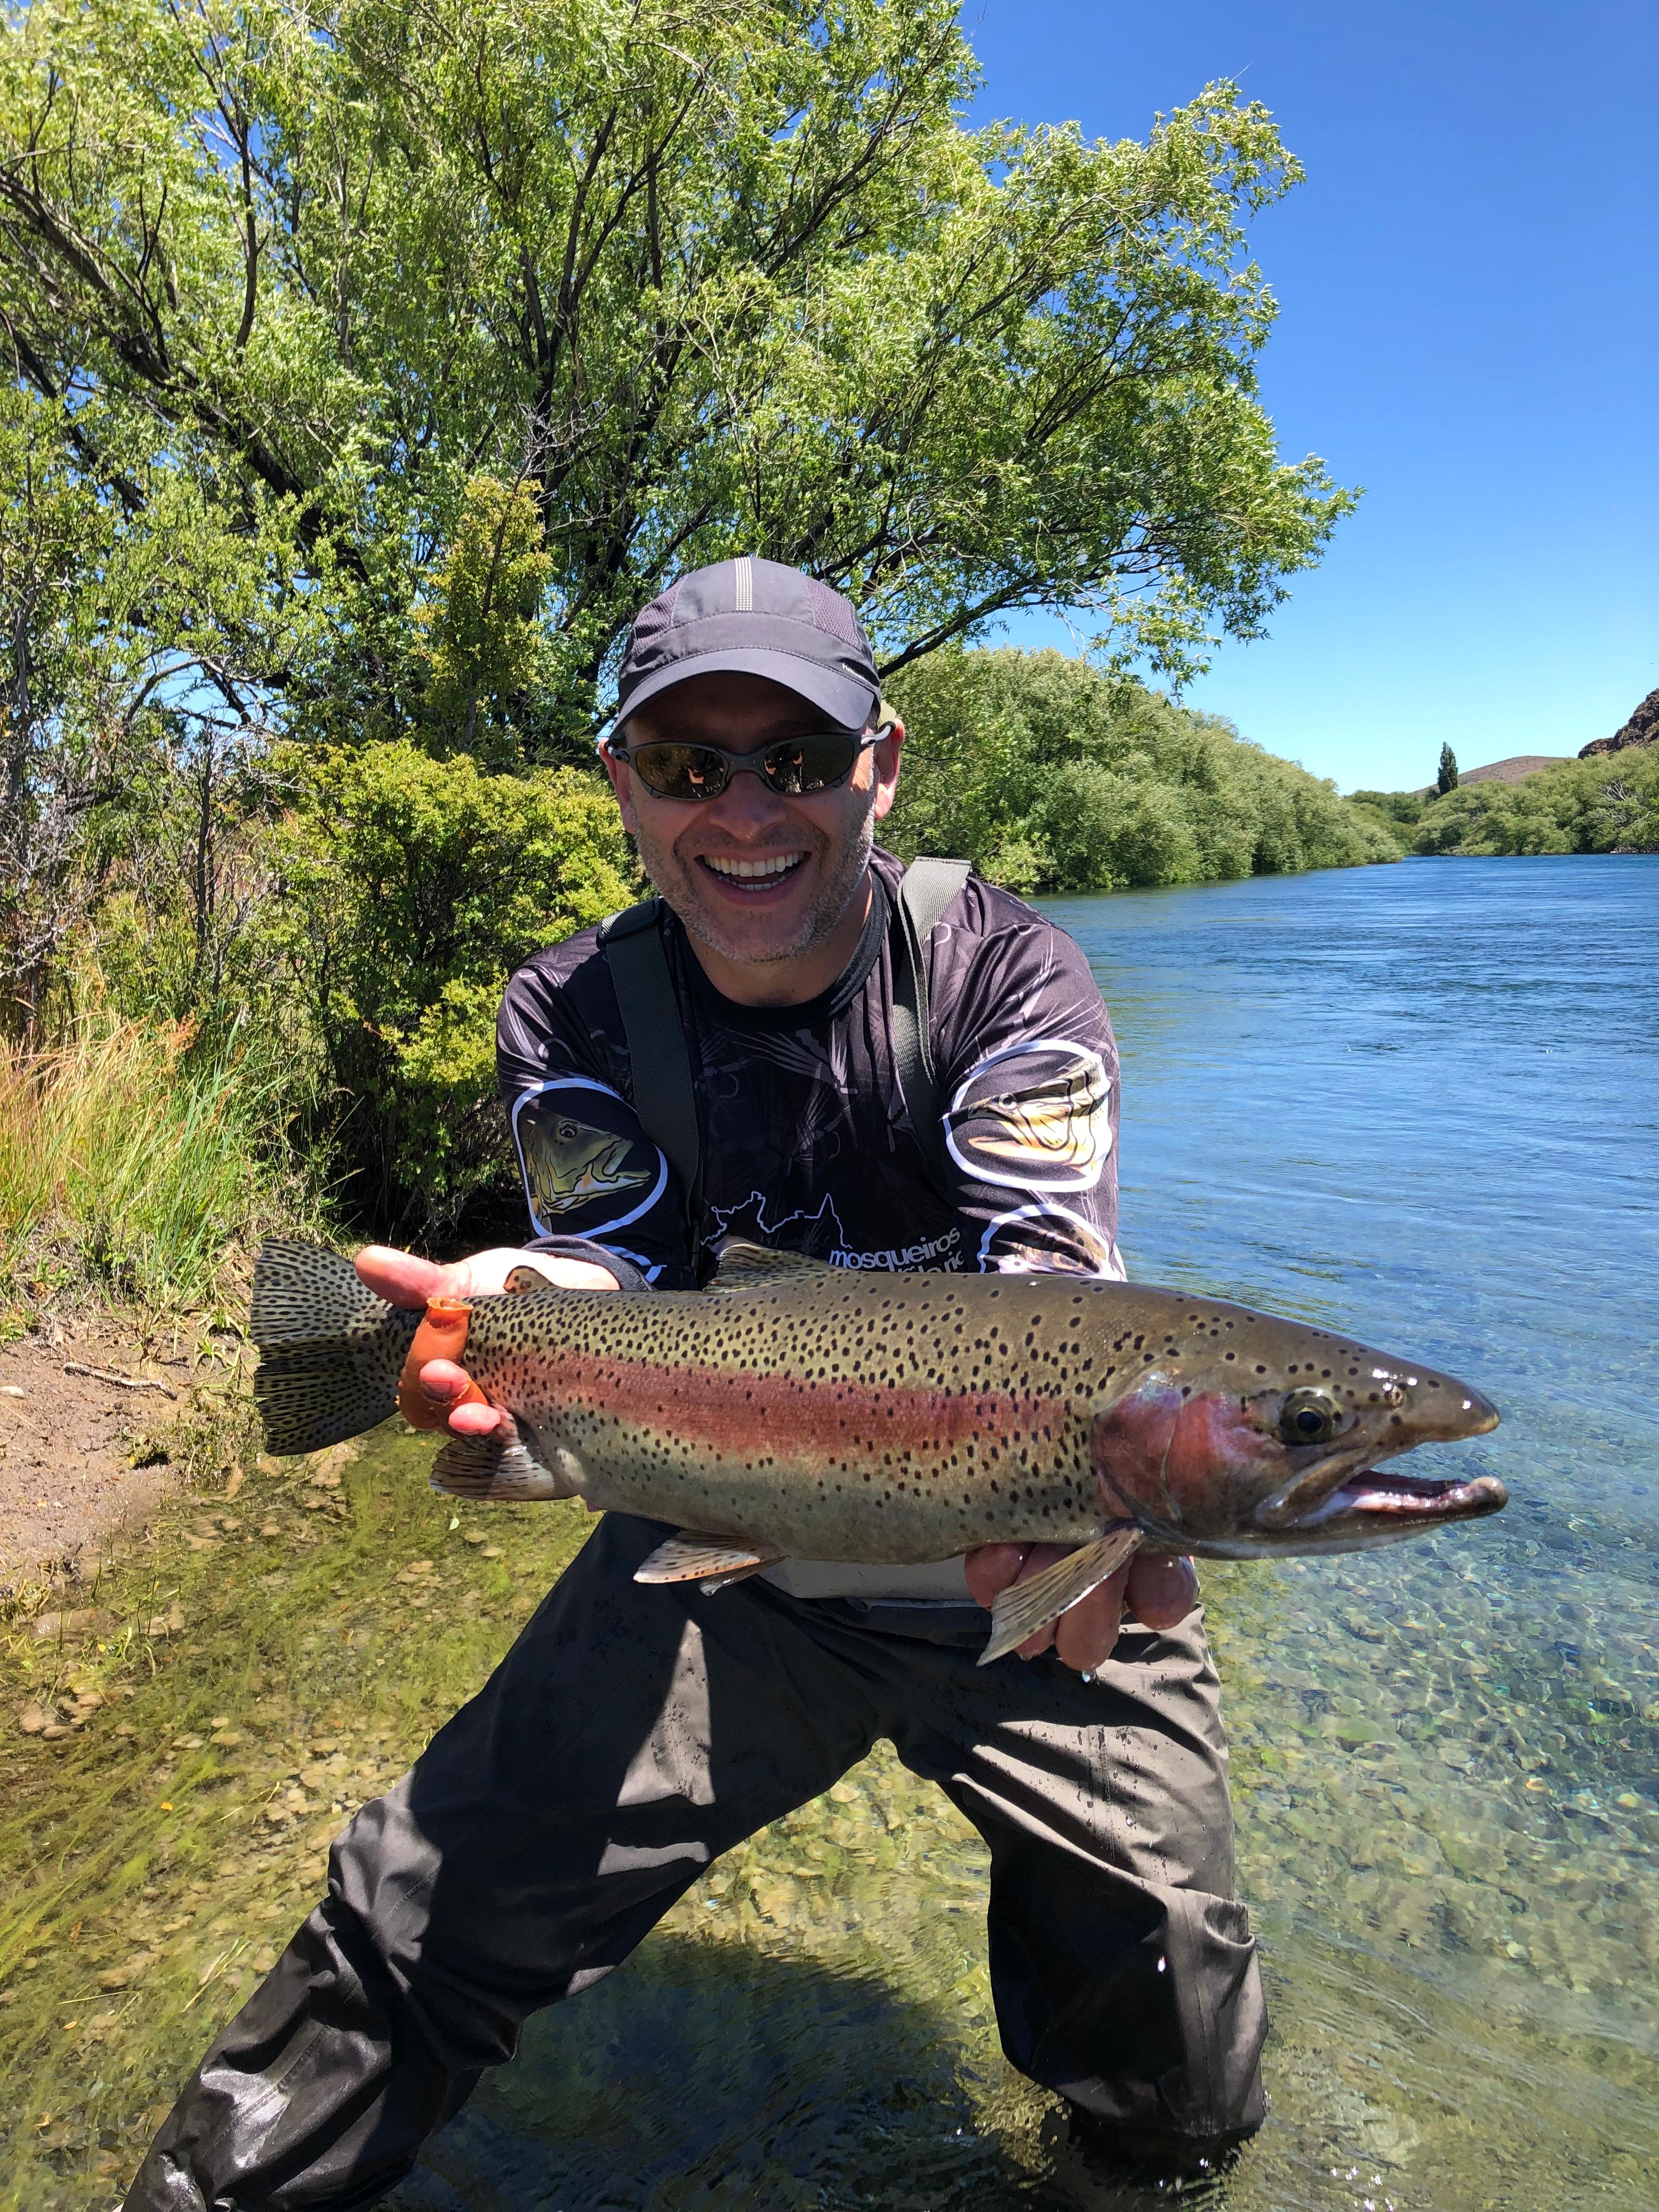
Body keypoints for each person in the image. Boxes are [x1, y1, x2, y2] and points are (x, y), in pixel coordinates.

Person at [127, 557, 1266, 2211]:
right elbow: (610, 1265)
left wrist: (1105, 1485)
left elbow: (1052, 1281)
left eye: (796, 760)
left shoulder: (1007, 976)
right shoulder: (574, 1003)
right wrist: (520, 1310)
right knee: (417, 1918)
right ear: (624, 787)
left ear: (880, 761)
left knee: (1175, 2048)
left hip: (1026, 1558)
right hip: (725, 1536)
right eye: (688, 764)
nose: (746, 808)